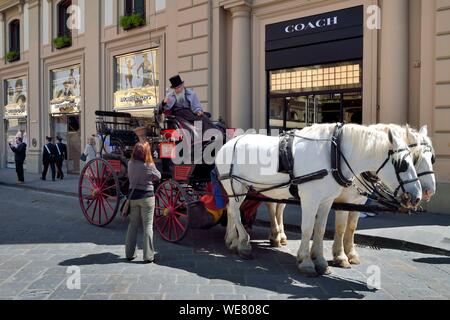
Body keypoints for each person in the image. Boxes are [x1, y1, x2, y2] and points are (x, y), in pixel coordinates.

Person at [125, 142, 161, 263]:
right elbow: (159, 176)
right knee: (148, 226)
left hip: (133, 197)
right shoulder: (148, 165)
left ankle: (129, 254)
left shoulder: (130, 163)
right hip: (147, 197)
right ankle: (148, 256)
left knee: (132, 225)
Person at [158, 75, 215, 139]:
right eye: (176, 88)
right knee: (187, 127)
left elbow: (196, 106)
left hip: (190, 113)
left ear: (183, 85)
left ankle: (211, 136)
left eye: (179, 87)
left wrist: (198, 111)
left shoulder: (191, 93)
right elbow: (162, 109)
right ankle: (194, 139)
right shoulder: (169, 96)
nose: (178, 90)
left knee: (204, 118)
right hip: (178, 115)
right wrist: (163, 103)